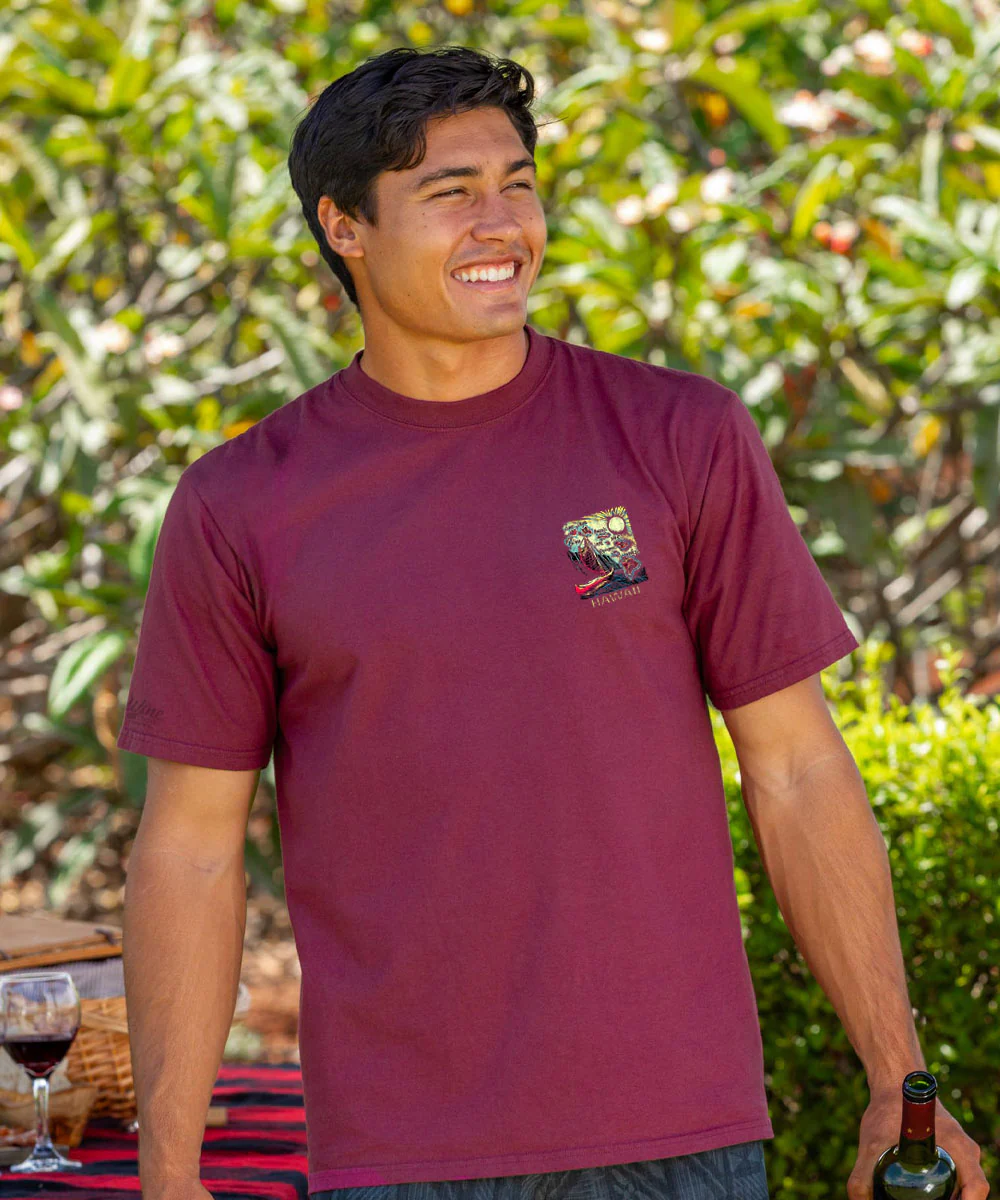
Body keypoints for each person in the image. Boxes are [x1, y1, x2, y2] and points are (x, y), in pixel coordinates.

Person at [120, 44, 868, 1200]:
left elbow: (798, 768)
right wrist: (168, 1171)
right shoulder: (241, 505)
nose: (501, 223)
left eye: (516, 184)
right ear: (344, 227)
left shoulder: (677, 437)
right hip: (400, 1153)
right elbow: (190, 849)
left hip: (676, 1131)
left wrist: (897, 1074)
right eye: (449, 192)